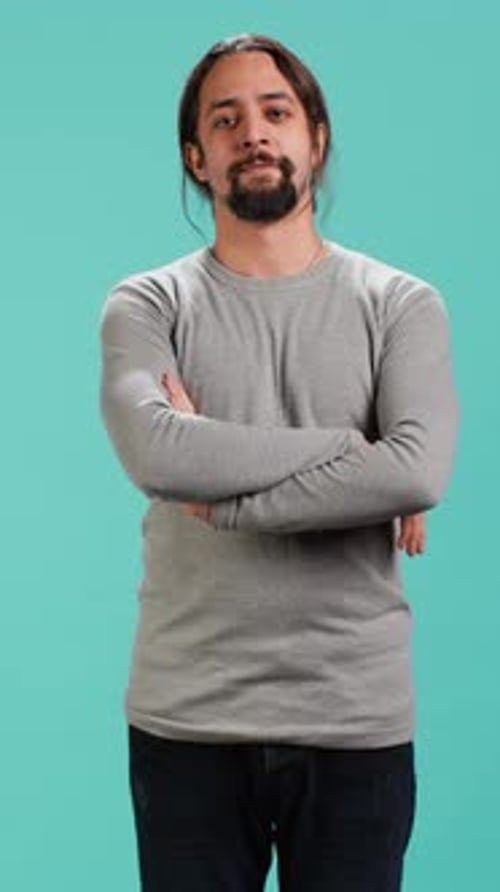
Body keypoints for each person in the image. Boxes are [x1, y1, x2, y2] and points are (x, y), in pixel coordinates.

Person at [99, 32, 458, 892]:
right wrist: (354, 451)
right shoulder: (148, 304)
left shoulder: (400, 305)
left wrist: (226, 499)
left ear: (316, 138)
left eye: (275, 112)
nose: (253, 133)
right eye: (225, 120)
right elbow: (157, 452)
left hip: (354, 720)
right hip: (187, 720)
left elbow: (417, 472)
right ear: (197, 157)